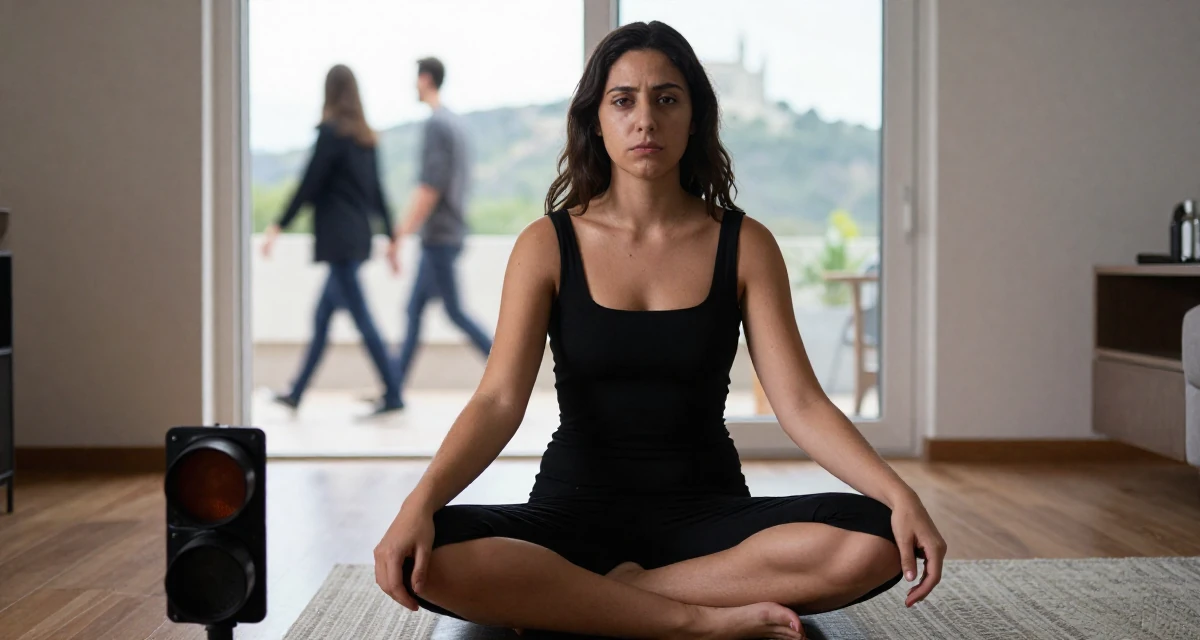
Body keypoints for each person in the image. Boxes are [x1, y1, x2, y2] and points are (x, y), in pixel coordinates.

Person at [373, 22, 946, 639]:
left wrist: (899, 493)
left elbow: (801, 404)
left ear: (694, 117)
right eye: (624, 100)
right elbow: (498, 400)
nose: (645, 119)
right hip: (574, 511)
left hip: (708, 515)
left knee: (875, 540)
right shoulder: (547, 245)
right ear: (597, 119)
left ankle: (605, 601)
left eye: (667, 99)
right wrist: (420, 502)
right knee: (427, 556)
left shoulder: (745, 244)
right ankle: (691, 622)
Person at [263, 64, 403, 417]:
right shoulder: (366, 138)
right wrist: (390, 235)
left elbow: (309, 184)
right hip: (357, 239)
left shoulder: (331, 133)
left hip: (339, 243)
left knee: (362, 318)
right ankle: (296, 392)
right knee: (323, 318)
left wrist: (278, 225)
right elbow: (377, 192)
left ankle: (394, 392)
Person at [385, 56, 494, 409]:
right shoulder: (457, 125)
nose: (411, 85)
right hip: (451, 232)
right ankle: (394, 390)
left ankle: (508, 370)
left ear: (426, 79)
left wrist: (398, 235)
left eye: (415, 78)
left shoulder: (437, 125)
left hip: (440, 236)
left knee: (455, 312)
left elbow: (429, 187)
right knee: (416, 310)